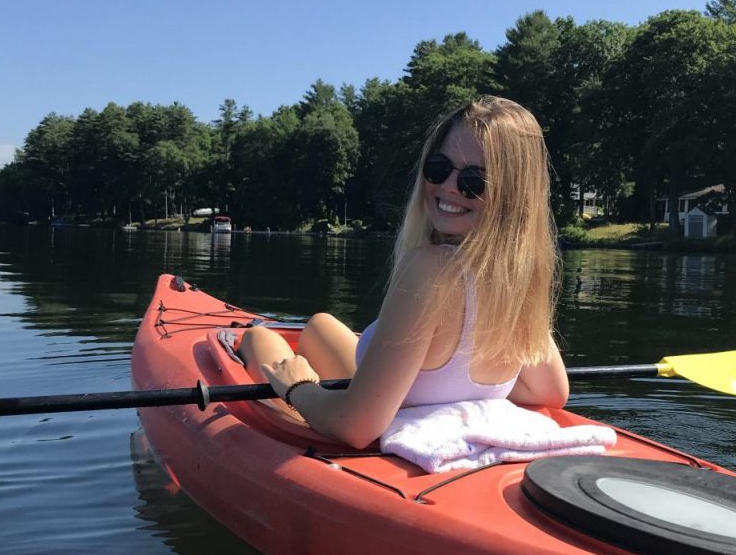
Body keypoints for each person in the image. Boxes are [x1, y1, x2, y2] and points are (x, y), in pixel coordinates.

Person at [238, 96, 569, 449]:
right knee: (320, 325)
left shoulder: (428, 268)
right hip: (402, 402)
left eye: (475, 180)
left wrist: (299, 387)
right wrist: (466, 384)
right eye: (439, 168)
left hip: (383, 430)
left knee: (258, 339)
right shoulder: (518, 282)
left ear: (512, 195)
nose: (449, 187)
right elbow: (551, 391)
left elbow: (356, 427)